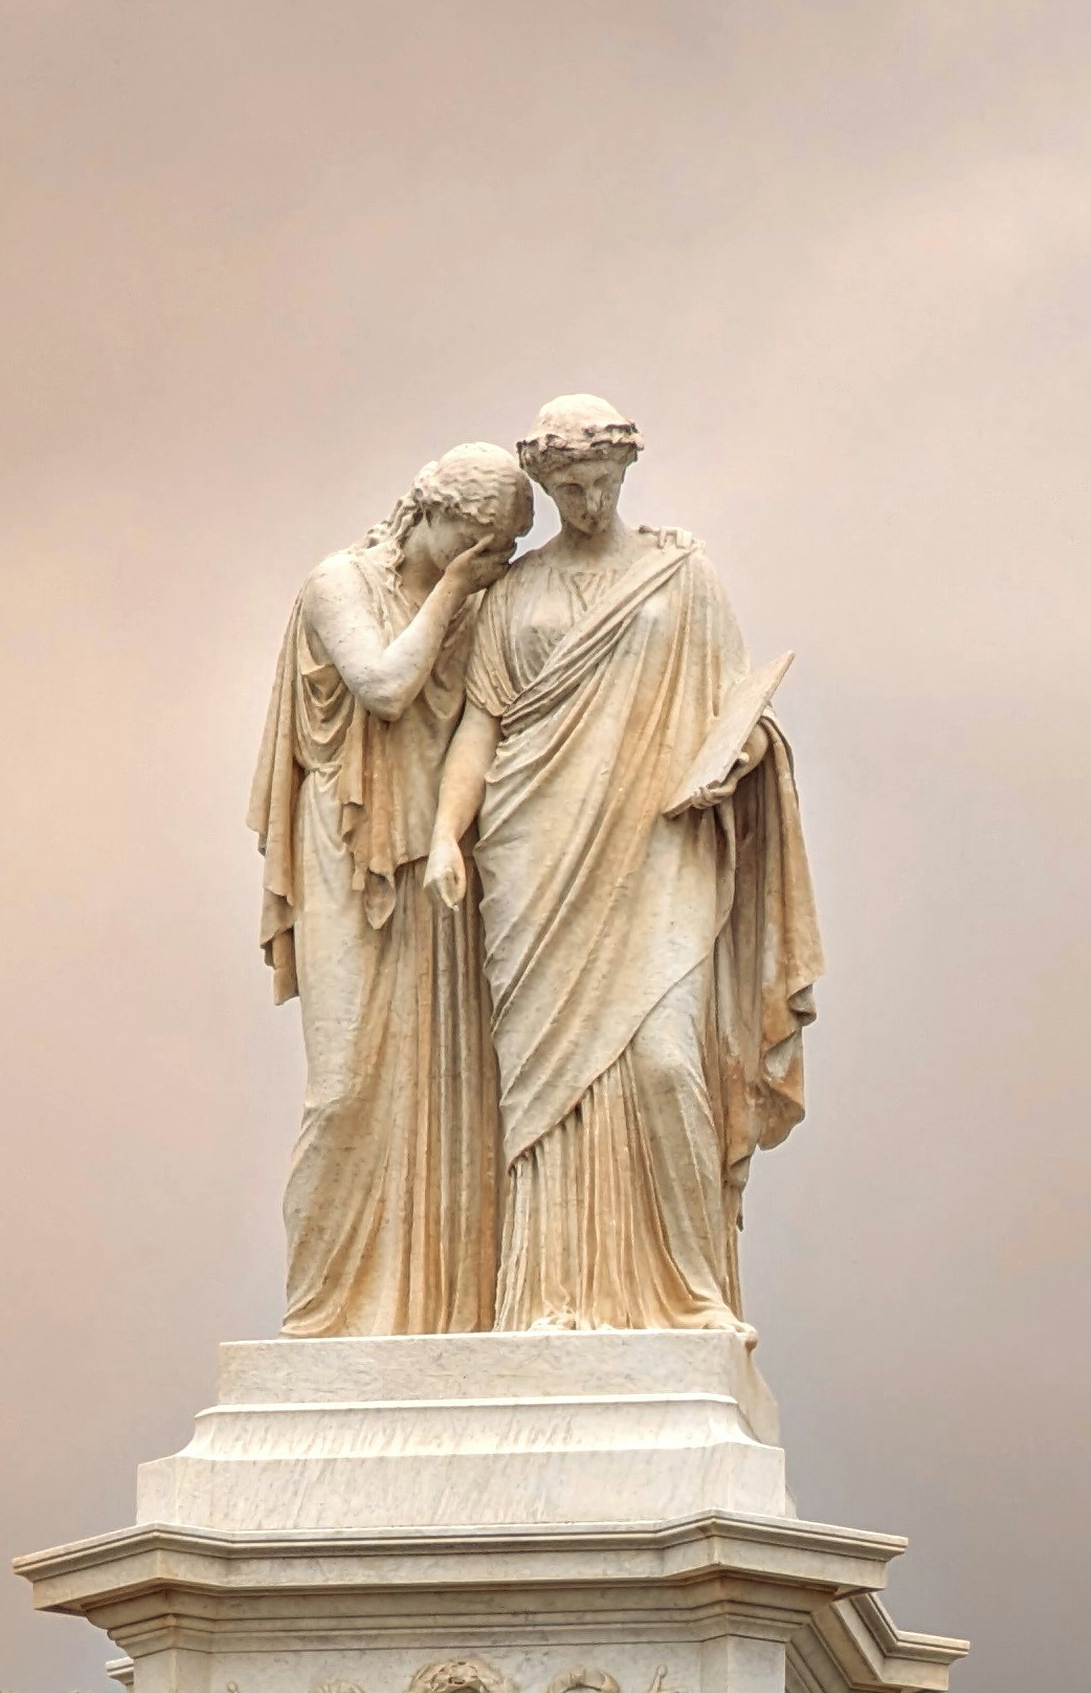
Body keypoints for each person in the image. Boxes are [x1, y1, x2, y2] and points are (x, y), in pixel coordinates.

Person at [425, 396, 821, 1331]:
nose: (588, 499)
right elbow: (480, 724)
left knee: (663, 1063)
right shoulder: (514, 593)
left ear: (626, 473)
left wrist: (741, 759)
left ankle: (690, 1293)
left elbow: (739, 708)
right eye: (568, 487)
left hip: (657, 848)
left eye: (600, 482)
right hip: (533, 855)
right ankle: (550, 1299)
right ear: (545, 485)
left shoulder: (681, 578)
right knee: (543, 1092)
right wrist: (447, 833)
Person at [248, 442, 533, 1332]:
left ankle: (433, 1314)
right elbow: (382, 686)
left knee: (445, 1092)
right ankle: (322, 1315)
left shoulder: (480, 607)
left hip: (438, 864)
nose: (485, 566)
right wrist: (454, 593)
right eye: (475, 542)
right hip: (347, 843)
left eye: (500, 552)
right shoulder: (339, 582)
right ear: (429, 512)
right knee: (344, 1088)